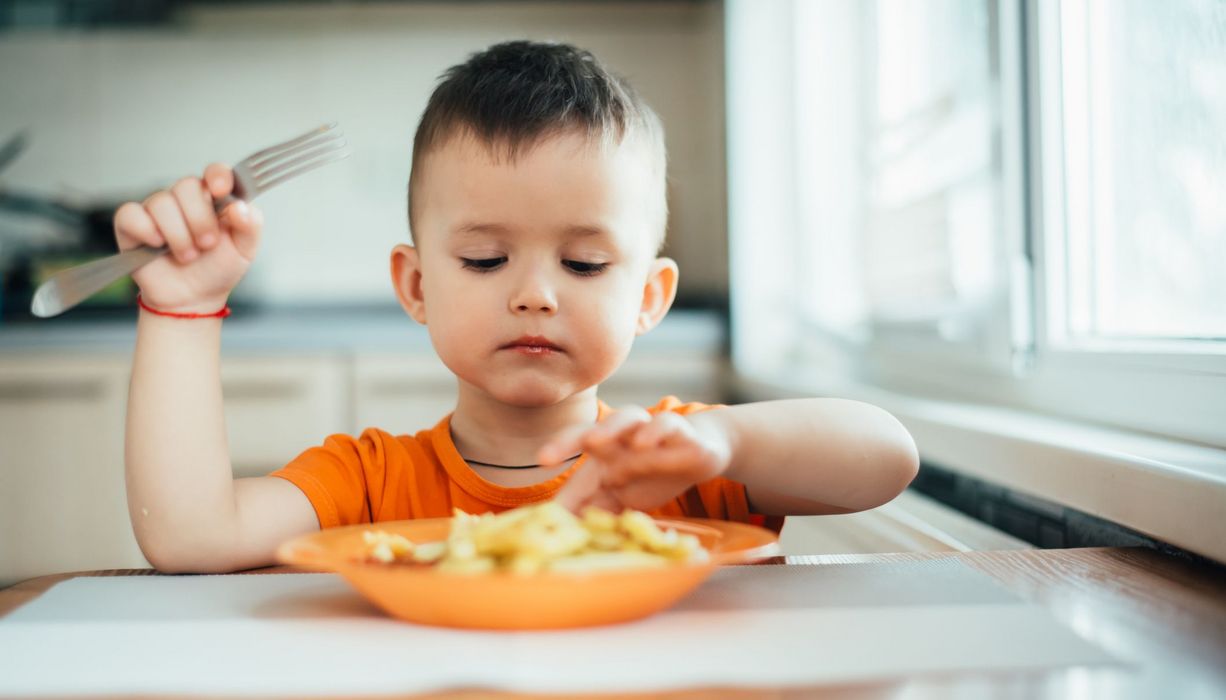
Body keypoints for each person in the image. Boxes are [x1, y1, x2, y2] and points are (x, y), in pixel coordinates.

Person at [119, 41, 918, 574]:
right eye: (485, 258)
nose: (535, 292)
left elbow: (887, 458)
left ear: (647, 297)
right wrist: (181, 308)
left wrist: (725, 436)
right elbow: (191, 536)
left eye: (584, 262)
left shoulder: (680, 465)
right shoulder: (370, 484)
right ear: (417, 287)